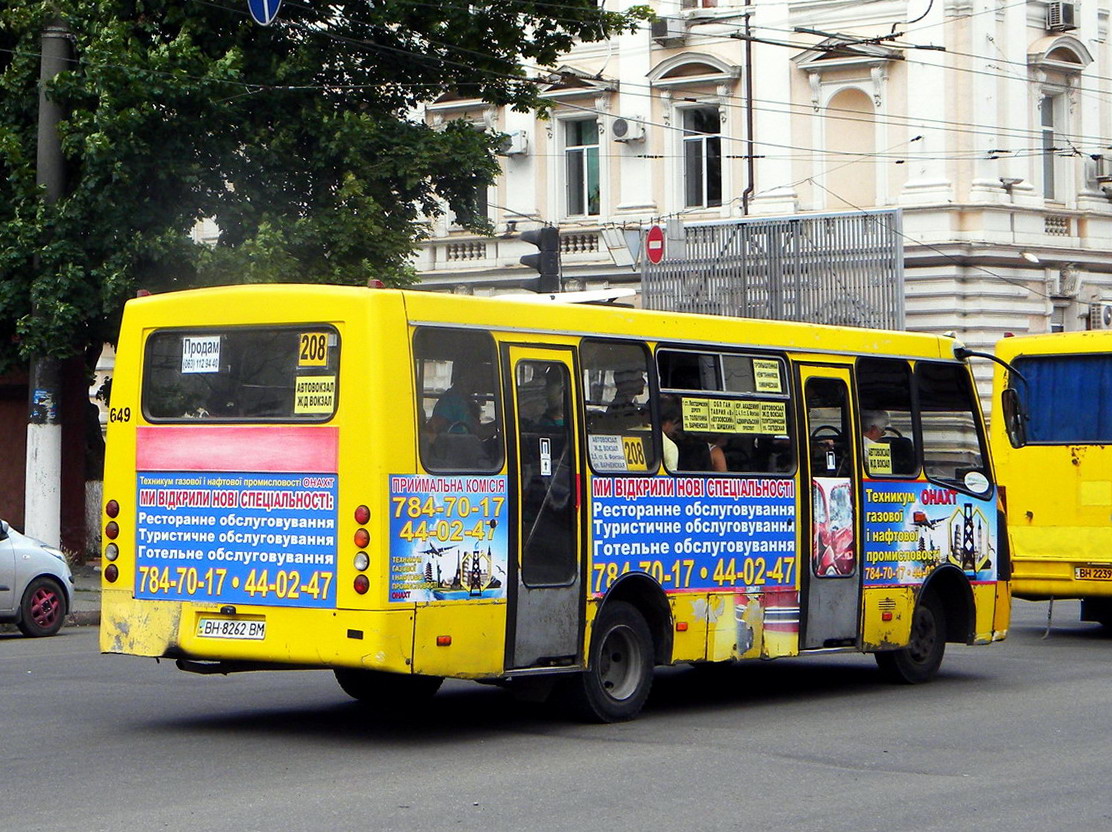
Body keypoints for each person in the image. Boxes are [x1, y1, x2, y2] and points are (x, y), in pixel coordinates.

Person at [428, 363, 495, 438]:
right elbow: (478, 433)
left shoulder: (463, 400)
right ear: (464, 377)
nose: (483, 382)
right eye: (480, 376)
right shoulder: (451, 401)